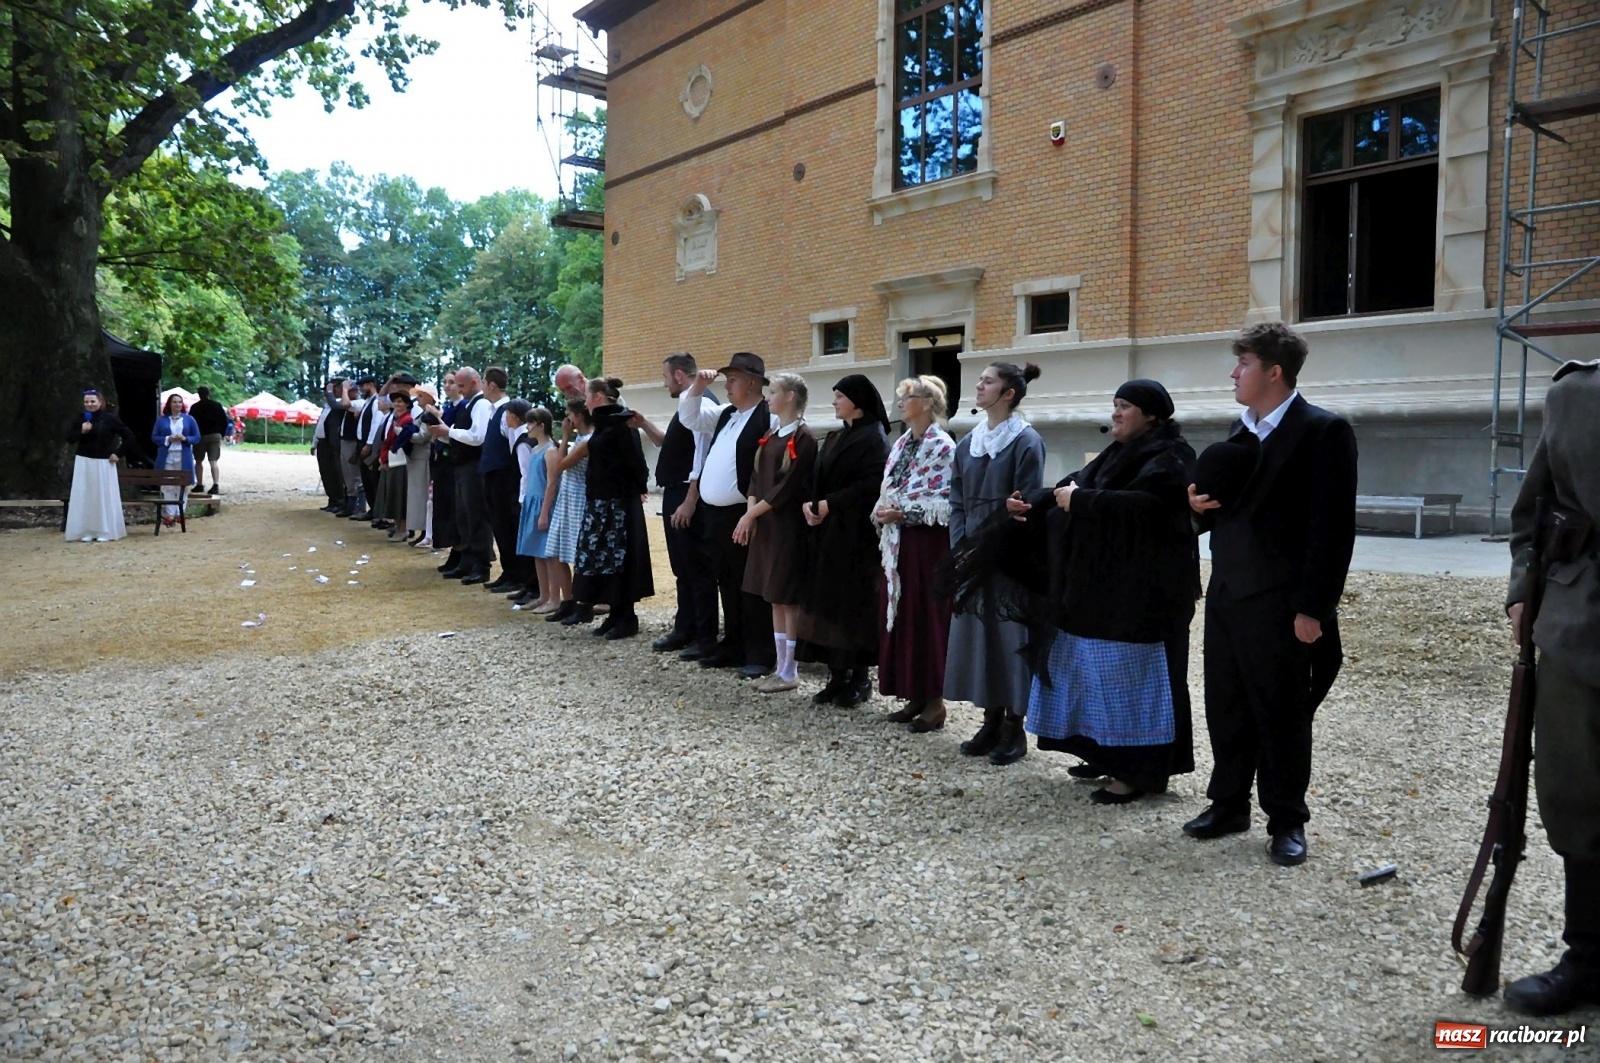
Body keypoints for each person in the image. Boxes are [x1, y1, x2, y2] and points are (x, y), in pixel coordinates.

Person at [1185, 323, 1357, 866]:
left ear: (1273, 372)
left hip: (1283, 602)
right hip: (1230, 592)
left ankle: (1286, 819)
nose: (1234, 374)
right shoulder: (1237, 435)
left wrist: (1315, 608)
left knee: (1282, 712)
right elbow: (1210, 519)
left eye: (1243, 364)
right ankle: (1228, 803)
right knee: (1226, 703)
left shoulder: (1323, 431)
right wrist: (1194, 509)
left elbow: (1332, 529)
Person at [982, 380, 1200, 804]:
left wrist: (1080, 502)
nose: (1116, 413)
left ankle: (1138, 772)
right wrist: (1032, 502)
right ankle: (1104, 754)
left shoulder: (1171, 456)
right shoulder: (1121, 451)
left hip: (1144, 600)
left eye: (1125, 406)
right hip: (1102, 593)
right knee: (1094, 676)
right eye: (1114, 405)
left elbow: (1148, 509)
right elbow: (1075, 485)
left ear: (1152, 415)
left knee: (1131, 681)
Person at [1501, 357, 1600, 1016]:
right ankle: (1590, 956)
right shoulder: (1577, 393)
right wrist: (1520, 591)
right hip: (1582, 629)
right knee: (1579, 794)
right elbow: (1533, 510)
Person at [946, 362, 1046, 766]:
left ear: (1008, 393)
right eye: (980, 380)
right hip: (971, 555)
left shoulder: (1026, 441)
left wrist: (989, 539)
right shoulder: (967, 442)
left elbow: (1028, 503)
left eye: (988, 381)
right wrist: (961, 547)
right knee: (979, 639)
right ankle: (989, 720)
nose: (979, 386)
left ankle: (1013, 727)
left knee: (1009, 640)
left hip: (1009, 557)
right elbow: (955, 500)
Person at [677, 353, 780, 677]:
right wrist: (697, 387)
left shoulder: (767, 416)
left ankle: (760, 652)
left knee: (749, 584)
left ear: (751, 383)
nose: (727, 386)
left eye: (732, 380)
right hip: (716, 514)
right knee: (726, 581)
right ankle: (734, 643)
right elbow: (689, 418)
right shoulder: (725, 414)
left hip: (743, 511)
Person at [797, 375, 892, 707]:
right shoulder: (838, 436)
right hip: (828, 532)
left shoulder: (874, 438)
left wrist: (830, 504)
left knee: (853, 607)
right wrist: (812, 505)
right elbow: (819, 477)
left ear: (857, 401)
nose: (834, 401)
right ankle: (836, 675)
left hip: (856, 536)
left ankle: (859, 678)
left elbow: (870, 485)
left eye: (840, 396)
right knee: (829, 604)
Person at [874, 377, 957, 731]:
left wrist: (904, 513)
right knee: (904, 614)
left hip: (927, 544)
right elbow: (891, 485)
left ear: (926, 403)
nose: (902, 403)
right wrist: (883, 509)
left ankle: (935, 702)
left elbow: (946, 499)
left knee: (926, 616)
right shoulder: (902, 443)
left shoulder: (943, 446)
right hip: (898, 545)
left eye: (908, 397)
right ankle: (914, 694)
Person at [736, 372, 818, 694]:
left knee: (787, 595)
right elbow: (756, 478)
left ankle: (790, 669)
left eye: (773, 392)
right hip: (767, 525)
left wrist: (751, 515)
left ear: (790, 397)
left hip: (786, 527)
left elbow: (788, 488)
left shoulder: (804, 438)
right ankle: (780, 666)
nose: (767, 397)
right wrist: (750, 513)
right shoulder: (771, 435)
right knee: (773, 596)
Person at [632, 353, 719, 656]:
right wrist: (643, 423)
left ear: (679, 375)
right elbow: (671, 442)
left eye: (666, 376)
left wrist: (690, 499)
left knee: (697, 568)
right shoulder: (688, 404)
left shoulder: (702, 403)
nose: (664, 382)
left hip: (687, 494)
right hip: (678, 492)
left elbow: (702, 454)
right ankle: (686, 628)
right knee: (683, 567)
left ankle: (704, 636)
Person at [569, 377, 654, 639]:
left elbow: (637, 464)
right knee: (603, 560)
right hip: (601, 501)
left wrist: (634, 490)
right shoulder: (604, 425)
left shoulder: (621, 423)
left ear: (597, 397)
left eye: (586, 396)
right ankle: (615, 614)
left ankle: (626, 616)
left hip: (617, 504)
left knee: (619, 559)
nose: (584, 401)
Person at [427, 367, 497, 585]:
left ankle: (481, 564)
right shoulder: (470, 405)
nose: (458, 389)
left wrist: (449, 432)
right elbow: (462, 436)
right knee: (463, 517)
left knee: (476, 517)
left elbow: (478, 437)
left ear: (475, 383)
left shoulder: (482, 404)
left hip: (474, 467)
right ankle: (466, 561)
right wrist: (445, 433)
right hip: (461, 465)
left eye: (461, 385)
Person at [65, 389, 140, 542]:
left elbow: (129, 437)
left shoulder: (110, 419)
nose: (90, 404)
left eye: (93, 401)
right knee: (86, 495)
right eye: (87, 402)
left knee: (102, 496)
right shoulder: (81, 419)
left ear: (100, 402)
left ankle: (104, 530)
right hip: (84, 460)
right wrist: (81, 431)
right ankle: (87, 530)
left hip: (103, 462)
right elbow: (70, 438)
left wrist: (118, 454)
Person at [543, 400, 593, 624]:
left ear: (579, 416)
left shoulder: (588, 439)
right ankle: (568, 600)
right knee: (555, 550)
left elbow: (560, 465)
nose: (566, 418)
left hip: (579, 498)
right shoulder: (580, 440)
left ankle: (583, 604)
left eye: (569, 414)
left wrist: (564, 436)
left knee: (576, 553)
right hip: (566, 497)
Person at [512, 404, 558, 610]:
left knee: (548, 553)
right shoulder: (535, 449)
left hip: (543, 503)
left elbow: (551, 483)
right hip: (532, 501)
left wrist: (544, 512)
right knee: (536, 552)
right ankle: (543, 594)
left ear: (541, 425)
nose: (527, 427)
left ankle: (554, 597)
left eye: (531, 423)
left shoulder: (550, 451)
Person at [427, 373, 462, 562]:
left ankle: (459, 551)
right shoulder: (449, 406)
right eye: (445, 382)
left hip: (453, 461)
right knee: (444, 507)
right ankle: (453, 550)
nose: (448, 386)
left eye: (452, 383)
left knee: (453, 509)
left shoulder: (462, 407)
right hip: (442, 459)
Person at [152, 393, 200, 526]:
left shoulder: (189, 419)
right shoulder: (161, 420)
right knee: (167, 484)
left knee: (182, 485)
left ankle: (180, 512)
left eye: (179, 402)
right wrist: (168, 439)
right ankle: (170, 513)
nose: (177, 404)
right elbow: (154, 437)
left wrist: (185, 439)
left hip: (183, 455)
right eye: (174, 402)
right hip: (167, 455)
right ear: (169, 404)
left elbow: (197, 437)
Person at [379, 391, 419, 542]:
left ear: (407, 404)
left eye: (400, 402)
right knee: (395, 494)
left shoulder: (407, 420)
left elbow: (398, 442)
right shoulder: (397, 419)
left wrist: (386, 457)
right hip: (392, 459)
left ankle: (402, 529)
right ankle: (399, 527)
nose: (397, 404)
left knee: (399, 496)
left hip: (400, 461)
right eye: (395, 401)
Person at [405, 386, 437, 546]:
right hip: (418, 458)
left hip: (423, 458)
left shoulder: (429, 414)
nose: (418, 399)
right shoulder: (423, 413)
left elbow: (424, 436)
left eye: (421, 396)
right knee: (419, 497)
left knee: (423, 496)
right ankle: (424, 531)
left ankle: (427, 531)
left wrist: (404, 434)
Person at [312, 380, 347, 512]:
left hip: (334, 442)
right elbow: (320, 425)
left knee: (336, 473)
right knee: (325, 472)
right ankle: (332, 499)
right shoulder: (326, 407)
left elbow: (336, 406)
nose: (326, 394)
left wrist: (331, 393)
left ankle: (339, 500)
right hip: (323, 442)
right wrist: (314, 442)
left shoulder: (340, 404)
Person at [189, 386, 229, 495]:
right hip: (214, 436)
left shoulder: (194, 407)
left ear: (198, 394)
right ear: (209, 393)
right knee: (213, 462)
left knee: (198, 461)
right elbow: (224, 421)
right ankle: (215, 484)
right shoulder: (217, 406)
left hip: (200, 436)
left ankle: (199, 485)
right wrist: (221, 434)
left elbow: (191, 423)